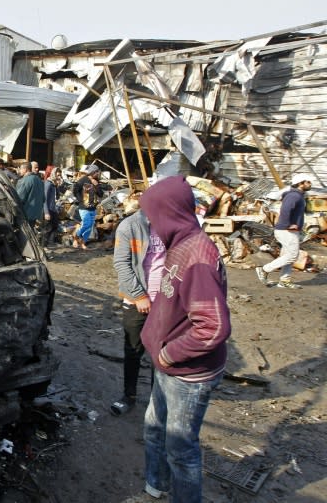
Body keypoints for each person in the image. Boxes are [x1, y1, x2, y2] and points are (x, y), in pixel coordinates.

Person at [137, 175, 231, 503]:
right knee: (154, 427)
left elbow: (213, 327)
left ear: (169, 213)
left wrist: (169, 354)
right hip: (168, 364)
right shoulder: (180, 243)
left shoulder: (199, 258)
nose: (150, 225)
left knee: (181, 449)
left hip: (187, 373)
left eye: (153, 217)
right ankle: (156, 484)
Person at [110, 198, 165, 416]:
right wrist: (139, 296)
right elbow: (121, 264)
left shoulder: (171, 226)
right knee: (133, 350)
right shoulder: (130, 226)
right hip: (136, 301)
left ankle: (157, 399)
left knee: (160, 354)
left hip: (165, 302)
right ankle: (129, 395)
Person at [255, 173, 312, 289]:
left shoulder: (298, 195)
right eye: (308, 182)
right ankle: (264, 269)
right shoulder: (294, 196)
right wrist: (289, 224)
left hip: (288, 230)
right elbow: (285, 210)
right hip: (286, 230)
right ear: (301, 183)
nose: (310, 184)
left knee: (288, 255)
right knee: (292, 255)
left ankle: (284, 280)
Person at [72, 164, 104, 249]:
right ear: (93, 172)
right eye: (97, 172)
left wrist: (96, 185)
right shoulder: (83, 180)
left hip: (93, 207)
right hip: (84, 207)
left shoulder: (97, 181)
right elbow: (75, 190)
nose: (98, 173)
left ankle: (83, 243)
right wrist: (80, 200)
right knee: (87, 223)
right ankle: (76, 236)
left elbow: (101, 194)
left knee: (89, 227)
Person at [42, 166, 59, 246]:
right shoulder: (48, 183)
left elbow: (57, 196)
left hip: (54, 209)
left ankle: (51, 243)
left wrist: (57, 186)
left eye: (60, 175)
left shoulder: (54, 183)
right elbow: (44, 198)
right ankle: (43, 245)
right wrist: (46, 212)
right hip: (48, 209)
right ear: (53, 174)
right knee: (47, 229)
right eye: (58, 175)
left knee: (54, 226)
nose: (59, 177)